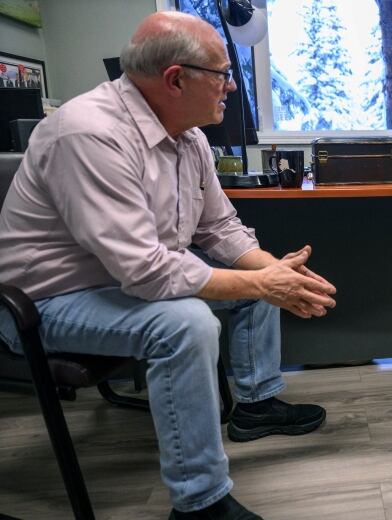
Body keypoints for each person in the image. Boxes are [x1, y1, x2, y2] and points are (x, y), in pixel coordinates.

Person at [0, 12, 337, 520]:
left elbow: (220, 231)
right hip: (42, 302)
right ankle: (200, 503)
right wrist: (262, 282)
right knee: (186, 323)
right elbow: (149, 273)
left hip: (118, 279)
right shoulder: (89, 134)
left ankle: (255, 404)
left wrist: (276, 277)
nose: (231, 86)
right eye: (222, 74)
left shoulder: (189, 137)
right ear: (176, 79)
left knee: (260, 273)